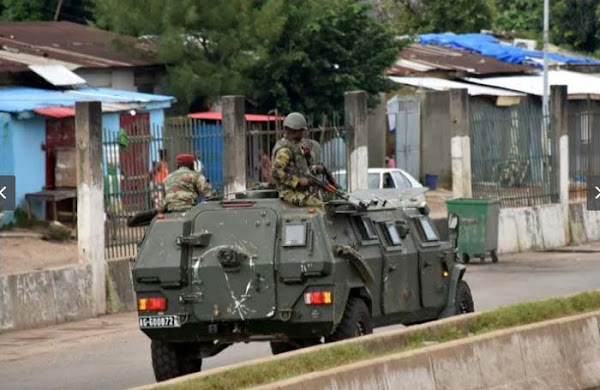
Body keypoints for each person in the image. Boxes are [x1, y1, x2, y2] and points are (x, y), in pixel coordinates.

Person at [271, 112, 323, 207]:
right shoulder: (285, 150)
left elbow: (302, 169)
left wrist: (308, 157)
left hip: (300, 191)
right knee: (319, 206)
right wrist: (297, 181)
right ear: (294, 131)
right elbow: (276, 172)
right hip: (288, 193)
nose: (303, 134)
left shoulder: (296, 146)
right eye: (301, 131)